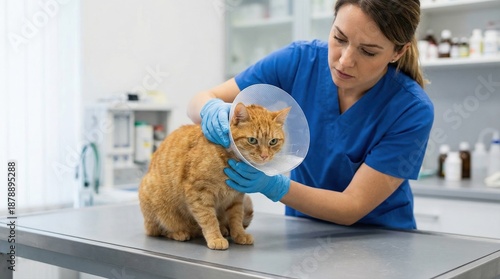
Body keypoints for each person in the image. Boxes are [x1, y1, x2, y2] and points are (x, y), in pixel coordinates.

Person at [187, 0, 433, 230]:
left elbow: (352, 206)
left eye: (368, 51)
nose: (345, 61)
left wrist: (272, 185)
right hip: (304, 233)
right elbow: (200, 100)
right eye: (339, 38)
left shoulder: (410, 109)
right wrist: (210, 109)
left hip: (381, 242)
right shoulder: (298, 61)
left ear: (397, 53)